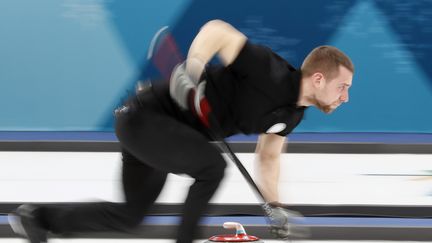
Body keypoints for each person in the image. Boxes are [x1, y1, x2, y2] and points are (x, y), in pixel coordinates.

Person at [9, 19, 354, 243]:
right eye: (342, 87)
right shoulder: (270, 70)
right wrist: (192, 68)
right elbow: (217, 31)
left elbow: (268, 156)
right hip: (143, 117)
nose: (345, 97)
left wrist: (275, 204)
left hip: (165, 134)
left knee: (131, 216)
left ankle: (37, 218)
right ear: (319, 78)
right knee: (212, 168)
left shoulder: (293, 116)